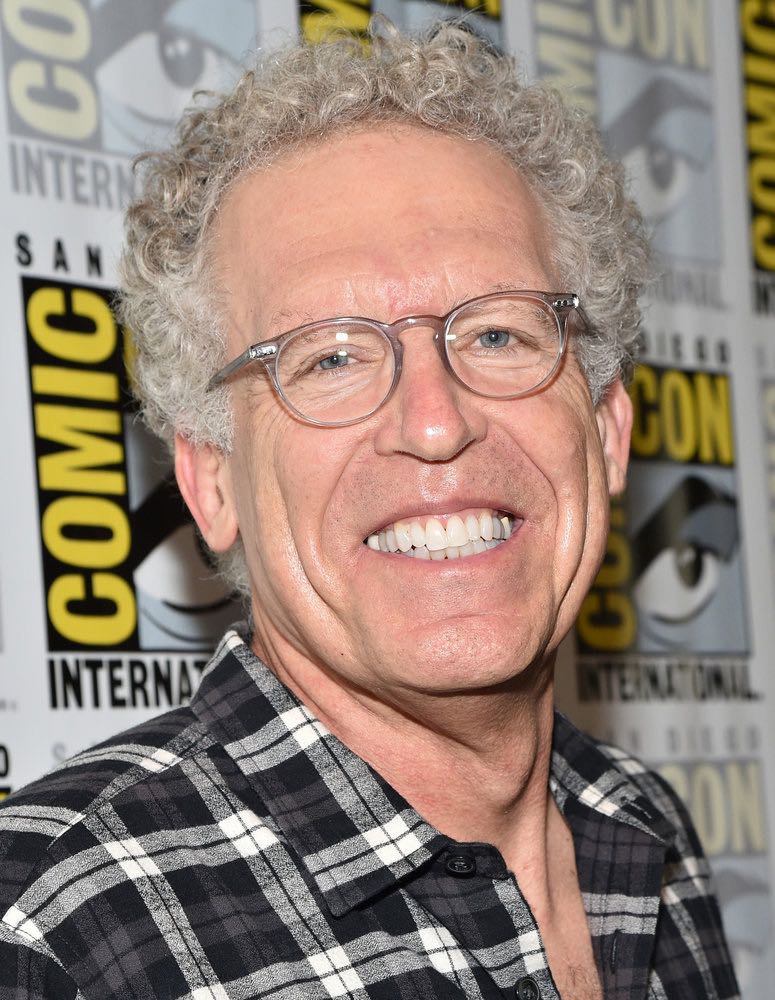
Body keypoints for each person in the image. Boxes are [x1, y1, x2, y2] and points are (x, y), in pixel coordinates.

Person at [0, 21, 738, 1000]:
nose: (434, 424)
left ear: (605, 430)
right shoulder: (60, 926)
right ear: (211, 481)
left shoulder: (645, 829)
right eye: (331, 358)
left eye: (498, 333)